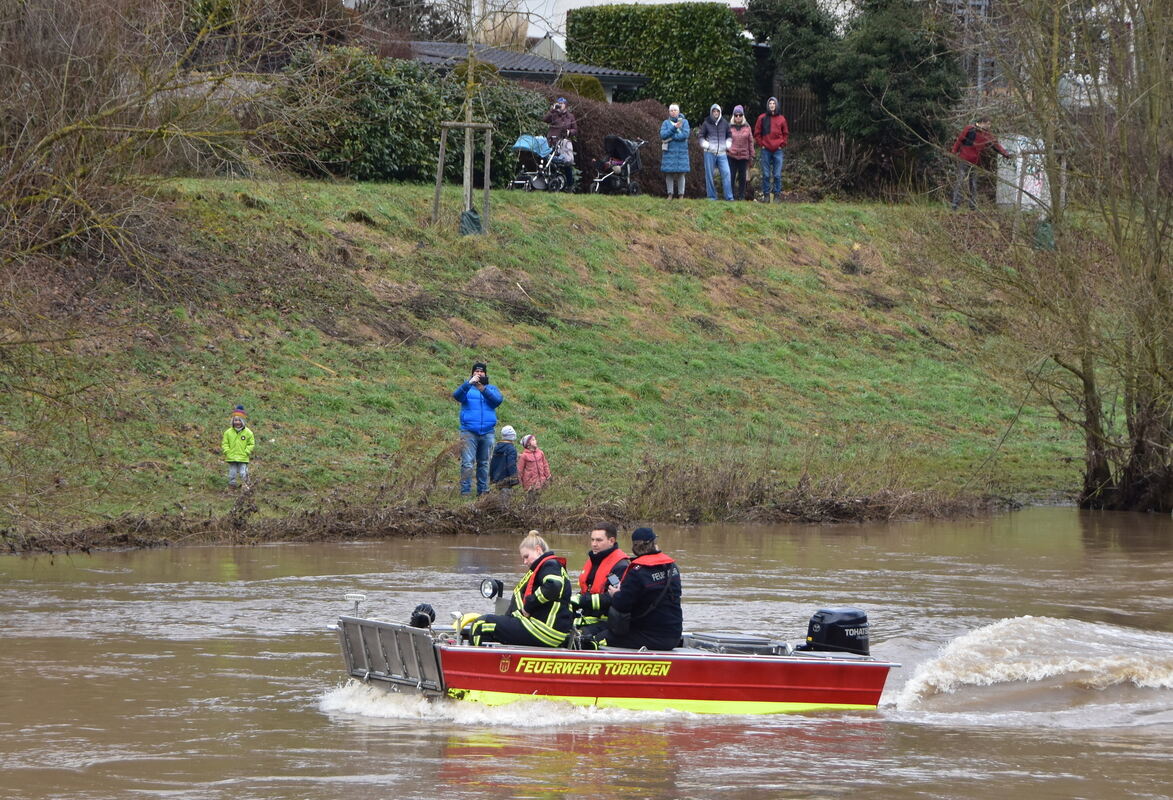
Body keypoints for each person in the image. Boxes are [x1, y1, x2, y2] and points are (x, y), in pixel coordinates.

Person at [470, 531, 573, 648]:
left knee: (481, 624)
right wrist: (507, 619)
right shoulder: (540, 569)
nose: (524, 562)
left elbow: (553, 586)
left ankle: (474, 664)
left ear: (538, 550)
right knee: (489, 624)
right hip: (539, 627)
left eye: (526, 557)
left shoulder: (550, 565)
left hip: (544, 629)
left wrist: (528, 606)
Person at [605, 527, 682, 651]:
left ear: (634, 547)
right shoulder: (672, 566)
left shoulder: (638, 571)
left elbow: (622, 605)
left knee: (599, 637)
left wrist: (616, 594)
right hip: (674, 635)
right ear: (654, 543)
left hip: (649, 636)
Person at [572, 522, 630, 643]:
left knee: (576, 639)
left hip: (606, 622)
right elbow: (586, 589)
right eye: (592, 540)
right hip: (587, 617)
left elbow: (613, 598)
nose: (594, 544)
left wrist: (582, 601)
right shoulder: (594, 560)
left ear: (611, 540)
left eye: (599, 540)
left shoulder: (620, 565)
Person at [452, 362, 503, 497]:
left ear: (485, 374)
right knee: (467, 463)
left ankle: (482, 493)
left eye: (481, 372)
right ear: (472, 373)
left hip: (487, 432)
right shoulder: (467, 388)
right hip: (469, 431)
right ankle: (465, 493)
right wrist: (469, 384)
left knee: (484, 463)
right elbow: (456, 396)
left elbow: (497, 401)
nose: (479, 374)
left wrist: (483, 389)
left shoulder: (491, 388)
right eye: (476, 372)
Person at [950, 118, 1012, 210]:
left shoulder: (987, 135)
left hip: (975, 162)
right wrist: (953, 152)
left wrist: (1006, 154)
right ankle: (955, 205)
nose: (989, 126)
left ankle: (972, 206)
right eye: (988, 124)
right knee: (960, 182)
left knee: (973, 184)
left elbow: (996, 145)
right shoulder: (969, 129)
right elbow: (959, 140)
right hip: (964, 159)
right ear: (982, 123)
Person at [754, 97, 789, 203]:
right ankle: (766, 196)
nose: (772, 105)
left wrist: (782, 144)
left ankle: (777, 196)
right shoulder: (762, 118)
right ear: (768, 105)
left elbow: (786, 133)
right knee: (766, 174)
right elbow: (757, 133)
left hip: (777, 150)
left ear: (776, 105)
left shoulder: (782, 119)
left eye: (774, 103)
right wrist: (762, 144)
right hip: (766, 150)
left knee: (777, 174)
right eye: (770, 103)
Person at [697, 103, 733, 201]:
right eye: (714, 111)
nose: (716, 113)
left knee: (726, 173)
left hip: (722, 153)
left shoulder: (725, 123)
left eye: (717, 111)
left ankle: (729, 197)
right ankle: (712, 197)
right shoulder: (706, 123)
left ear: (720, 112)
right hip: (709, 153)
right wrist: (707, 145)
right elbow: (700, 137)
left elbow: (729, 135)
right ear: (711, 112)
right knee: (709, 175)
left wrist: (728, 144)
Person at [544, 97, 578, 191]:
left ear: (566, 105)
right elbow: (545, 119)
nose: (560, 105)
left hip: (563, 143)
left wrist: (569, 132)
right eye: (558, 103)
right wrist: (552, 110)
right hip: (552, 141)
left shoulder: (570, 116)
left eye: (561, 103)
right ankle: (550, 183)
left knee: (567, 164)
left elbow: (575, 130)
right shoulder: (554, 114)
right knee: (549, 161)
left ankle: (570, 186)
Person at [659, 103, 691, 199]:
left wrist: (672, 136)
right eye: (671, 110)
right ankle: (670, 194)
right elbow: (663, 135)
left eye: (675, 110)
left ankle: (681, 195)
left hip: (682, 152)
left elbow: (685, 135)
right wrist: (674, 128)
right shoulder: (665, 123)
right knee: (669, 173)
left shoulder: (684, 122)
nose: (673, 112)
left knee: (681, 174)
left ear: (679, 111)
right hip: (669, 152)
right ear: (669, 112)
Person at [221, 405, 255, 489]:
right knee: (232, 472)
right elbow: (225, 443)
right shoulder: (228, 432)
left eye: (239, 420)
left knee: (243, 472)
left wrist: (246, 452)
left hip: (243, 457)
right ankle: (232, 485)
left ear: (242, 421)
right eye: (235, 420)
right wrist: (227, 451)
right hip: (231, 456)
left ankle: (246, 484)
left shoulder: (248, 433)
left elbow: (251, 444)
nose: (237, 422)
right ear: (233, 421)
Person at [727, 105, 755, 201]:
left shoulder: (747, 127)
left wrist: (752, 156)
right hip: (732, 156)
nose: (738, 117)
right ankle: (730, 196)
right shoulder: (729, 127)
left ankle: (741, 196)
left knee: (742, 178)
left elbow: (751, 142)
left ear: (743, 116)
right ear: (733, 116)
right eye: (736, 115)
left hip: (744, 156)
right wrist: (727, 150)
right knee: (731, 176)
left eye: (740, 115)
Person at [489, 425, 519, 493]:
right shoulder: (511, 449)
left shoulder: (496, 447)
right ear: (513, 436)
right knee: (506, 497)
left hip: (497, 477)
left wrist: (491, 476)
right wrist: (514, 477)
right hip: (506, 478)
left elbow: (492, 463)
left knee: (498, 495)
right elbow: (511, 464)